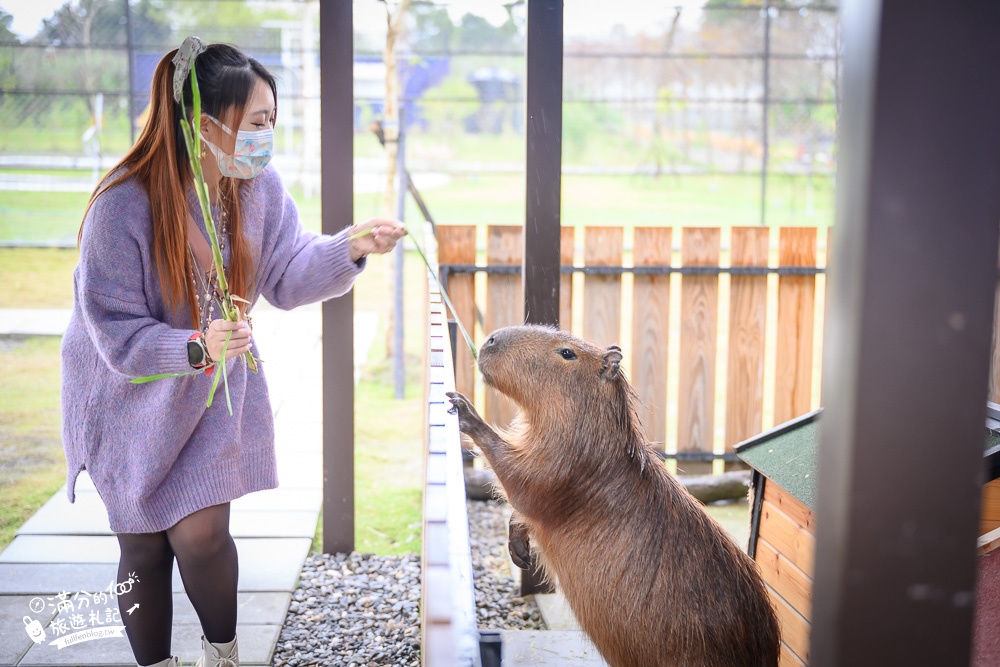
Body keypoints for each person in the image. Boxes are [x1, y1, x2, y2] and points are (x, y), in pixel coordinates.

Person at [60, 37, 404, 667]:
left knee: (202, 532)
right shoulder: (121, 205)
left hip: (211, 396)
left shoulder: (258, 188)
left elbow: (289, 273)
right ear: (203, 123)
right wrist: (195, 345)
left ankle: (223, 656)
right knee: (143, 548)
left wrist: (351, 246)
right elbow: (114, 335)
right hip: (125, 400)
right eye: (257, 123)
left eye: (272, 121)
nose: (267, 137)